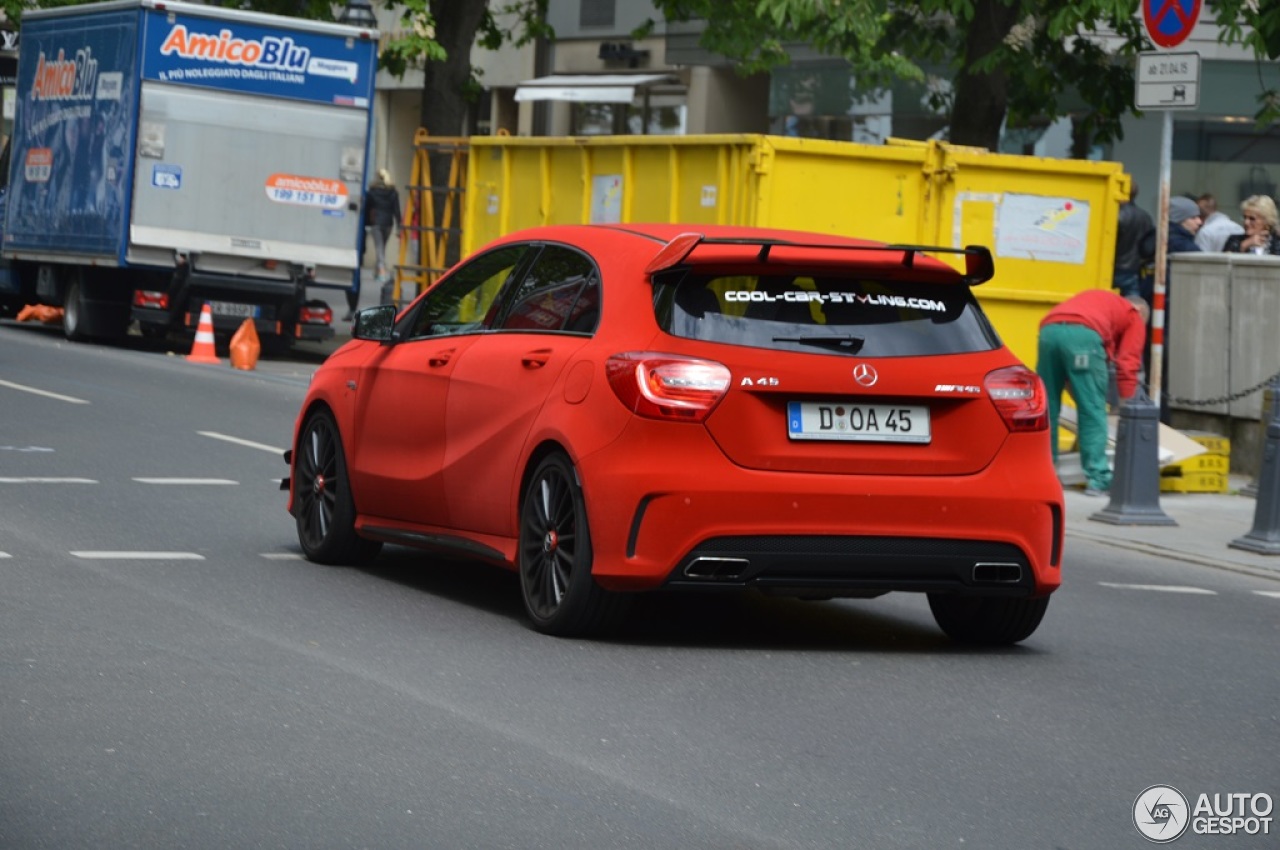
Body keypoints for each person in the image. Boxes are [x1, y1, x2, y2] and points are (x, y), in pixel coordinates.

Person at [1037, 290, 1150, 496]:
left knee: (1046, 407)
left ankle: (1045, 476)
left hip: (1048, 331)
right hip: (1083, 335)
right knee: (1092, 409)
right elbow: (1128, 364)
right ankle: (1098, 479)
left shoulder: (1102, 303)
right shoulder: (1134, 315)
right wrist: (1126, 409)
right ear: (1140, 310)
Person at [358, 168, 402, 314]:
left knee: (379, 247)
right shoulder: (393, 193)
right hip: (388, 223)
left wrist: (364, 225)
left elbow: (367, 209)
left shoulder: (371, 193)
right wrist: (399, 226)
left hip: (376, 222)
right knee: (382, 245)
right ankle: (380, 271)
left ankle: (381, 272)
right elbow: (396, 210)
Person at [1112, 179, 1155, 299]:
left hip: (1112, 268)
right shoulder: (1145, 217)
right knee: (1133, 305)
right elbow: (1149, 247)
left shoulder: (1114, 215)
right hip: (1134, 269)